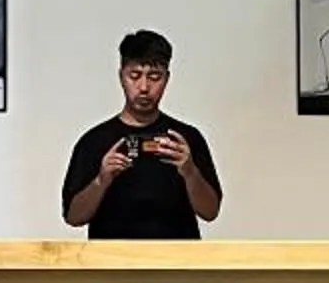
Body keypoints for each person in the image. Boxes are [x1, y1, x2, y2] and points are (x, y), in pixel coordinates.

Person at [60, 29, 222, 239]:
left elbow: (210, 212)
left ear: (167, 79)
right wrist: (101, 180)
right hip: (112, 265)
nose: (144, 87)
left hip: (176, 265)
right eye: (134, 76)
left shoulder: (186, 139)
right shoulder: (94, 141)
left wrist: (190, 171)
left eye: (155, 77)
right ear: (121, 76)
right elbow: (73, 217)